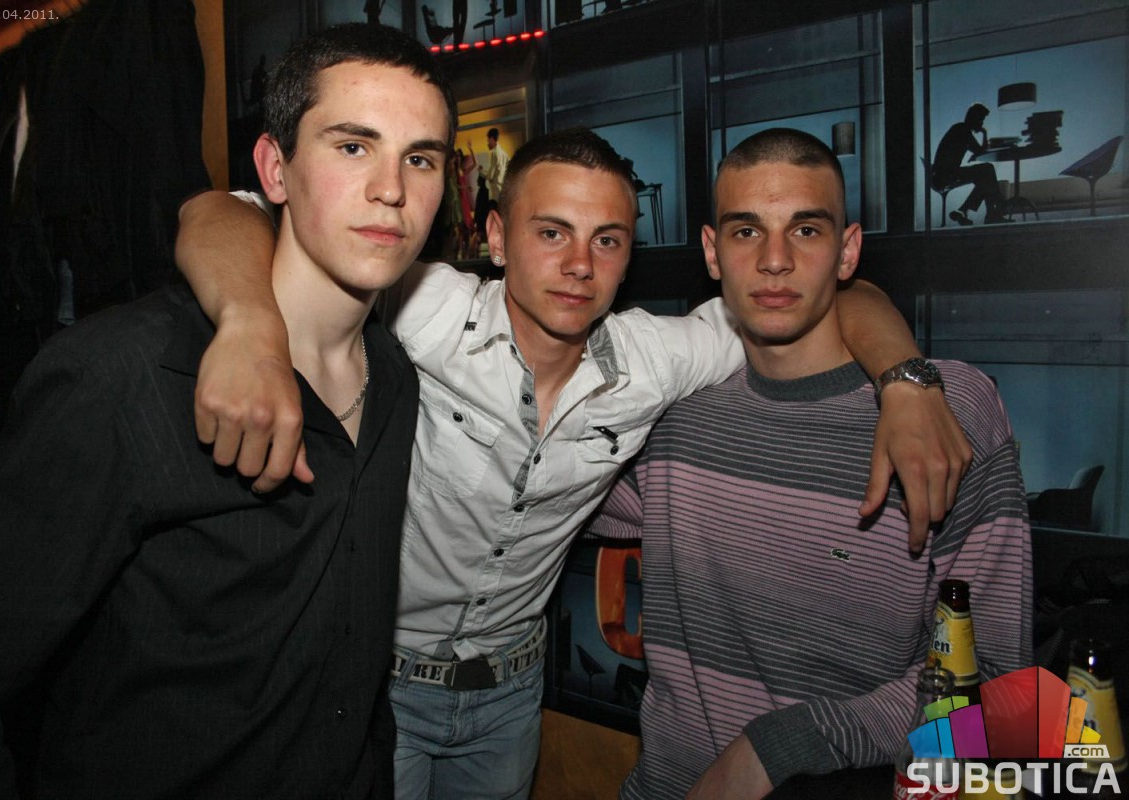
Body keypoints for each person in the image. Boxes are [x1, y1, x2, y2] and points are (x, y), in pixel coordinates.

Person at [174, 128, 972, 799]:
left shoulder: (656, 359)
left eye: (607, 241)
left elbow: (825, 293)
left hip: (512, 699)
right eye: (551, 232)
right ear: (496, 237)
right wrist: (249, 324)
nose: (580, 265)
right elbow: (217, 212)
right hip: (375, 684)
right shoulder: (423, 309)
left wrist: (906, 383)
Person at [0, 23, 454, 799]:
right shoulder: (124, 375)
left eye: (421, 158)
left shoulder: (397, 379)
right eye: (353, 146)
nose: (392, 189)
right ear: (274, 169)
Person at [591, 128, 1032, 800]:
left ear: (848, 250)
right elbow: (542, 495)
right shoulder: (675, 411)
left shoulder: (948, 412)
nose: (775, 260)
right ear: (711, 251)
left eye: (805, 230)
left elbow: (998, 682)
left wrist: (787, 745)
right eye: (746, 232)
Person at [932, 102, 1009, 226]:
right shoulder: (963, 130)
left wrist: (980, 141)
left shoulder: (960, 129)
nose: (982, 123)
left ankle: (966, 210)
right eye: (981, 120)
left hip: (941, 175)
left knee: (985, 176)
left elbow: (978, 151)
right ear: (975, 118)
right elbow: (980, 151)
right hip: (945, 175)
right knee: (987, 169)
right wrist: (984, 133)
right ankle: (992, 211)